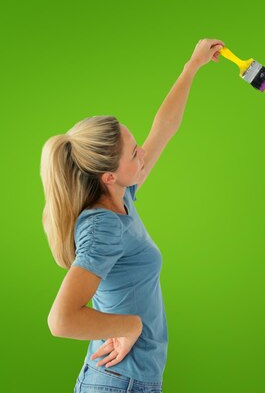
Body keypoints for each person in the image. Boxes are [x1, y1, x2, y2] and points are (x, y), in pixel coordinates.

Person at [41, 38, 224, 393]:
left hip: (128, 378)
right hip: (120, 382)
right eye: (135, 153)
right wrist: (129, 327)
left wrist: (193, 65)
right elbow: (60, 320)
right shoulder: (102, 226)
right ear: (108, 176)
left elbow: (164, 127)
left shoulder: (123, 194)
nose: (143, 155)